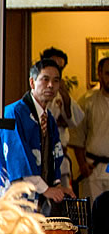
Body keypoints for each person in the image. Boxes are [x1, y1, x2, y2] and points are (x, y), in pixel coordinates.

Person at [0, 58, 74, 214]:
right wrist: (46, 189)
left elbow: (55, 156)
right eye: (45, 79)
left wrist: (57, 186)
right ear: (32, 82)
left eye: (56, 81)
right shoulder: (13, 113)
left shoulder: (49, 118)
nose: (51, 85)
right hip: (15, 197)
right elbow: (18, 160)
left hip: (40, 200)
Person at [40, 47, 83, 195]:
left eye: (60, 67)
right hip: (42, 155)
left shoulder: (61, 92)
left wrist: (65, 95)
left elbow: (75, 120)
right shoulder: (37, 89)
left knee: (64, 198)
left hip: (61, 155)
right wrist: (54, 121)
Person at [70, 56, 109, 201]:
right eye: (108, 73)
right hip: (93, 168)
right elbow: (77, 136)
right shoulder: (87, 101)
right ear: (100, 73)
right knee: (94, 211)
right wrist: (82, 164)